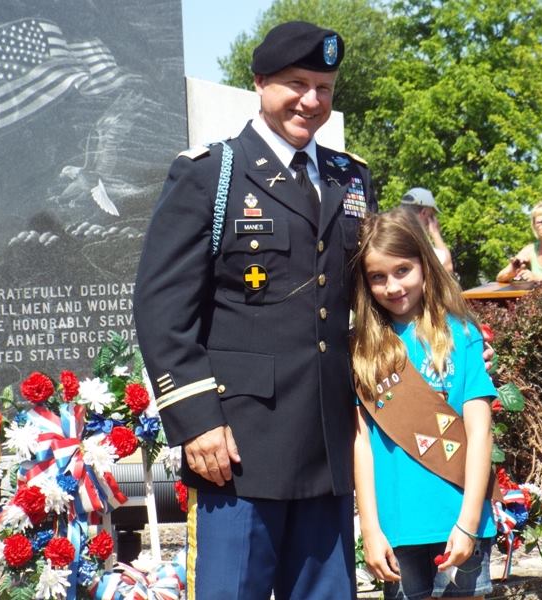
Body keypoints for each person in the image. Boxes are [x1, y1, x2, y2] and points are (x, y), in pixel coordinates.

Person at [133, 21, 376, 599]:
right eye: (296, 84)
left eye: (324, 87)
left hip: (328, 448)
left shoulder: (351, 178)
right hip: (238, 451)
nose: (311, 101)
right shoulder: (210, 173)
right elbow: (162, 308)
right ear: (260, 83)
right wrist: (197, 421)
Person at [351, 207, 496, 600]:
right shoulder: (362, 351)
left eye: (403, 270)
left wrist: (468, 522)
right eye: (377, 277)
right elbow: (361, 443)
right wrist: (370, 530)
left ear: (425, 265)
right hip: (396, 530)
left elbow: (480, 432)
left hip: (460, 520)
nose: (393, 286)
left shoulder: (461, 334)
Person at [400, 187, 455, 274]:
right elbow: (447, 267)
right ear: (424, 212)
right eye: (432, 215)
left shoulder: (394, 231)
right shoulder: (415, 239)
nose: (434, 219)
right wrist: (435, 233)